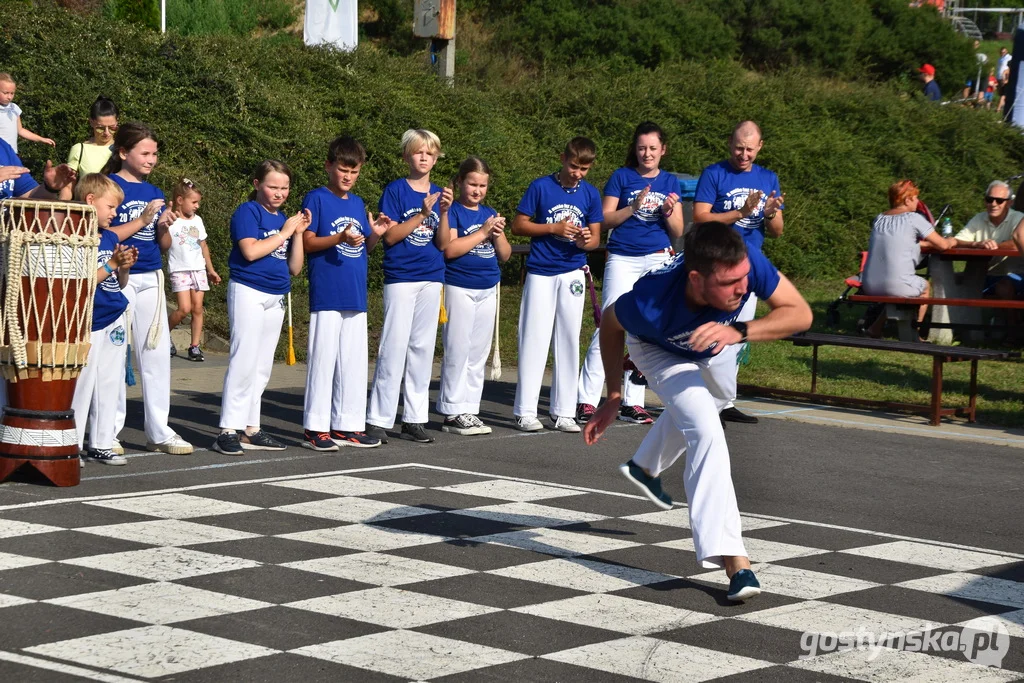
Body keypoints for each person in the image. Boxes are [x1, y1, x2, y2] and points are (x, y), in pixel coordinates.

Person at [583, 223, 812, 602]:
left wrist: (739, 330)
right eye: (729, 284)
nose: (742, 289)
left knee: (719, 399)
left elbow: (800, 314)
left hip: (716, 338)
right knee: (707, 430)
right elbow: (610, 322)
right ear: (695, 278)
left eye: (744, 279)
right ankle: (735, 562)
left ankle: (645, 466)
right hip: (659, 349)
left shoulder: (744, 261)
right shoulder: (650, 303)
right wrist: (613, 394)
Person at [577, 122, 683, 426]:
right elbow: (605, 219)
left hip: (657, 257)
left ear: (663, 150)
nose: (647, 153)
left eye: (652, 148)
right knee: (610, 324)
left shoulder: (670, 181)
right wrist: (633, 206)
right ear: (634, 150)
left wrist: (669, 212)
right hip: (623, 256)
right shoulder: (622, 177)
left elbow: (676, 231)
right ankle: (587, 399)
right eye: (641, 148)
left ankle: (633, 402)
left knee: (647, 330)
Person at [104, 122, 193, 456]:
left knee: (155, 354)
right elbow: (105, 234)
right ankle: (107, 431)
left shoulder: (154, 190)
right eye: (144, 152)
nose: (151, 159)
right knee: (114, 354)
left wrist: (164, 225)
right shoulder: (109, 186)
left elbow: (163, 243)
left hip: (151, 277)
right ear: (123, 152)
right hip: (116, 276)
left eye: (155, 153)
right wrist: (141, 220)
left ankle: (159, 430)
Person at [301, 136, 392, 451]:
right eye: (342, 170)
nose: (348, 177)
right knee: (323, 363)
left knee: (353, 365)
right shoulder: (316, 199)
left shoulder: (356, 203)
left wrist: (376, 234)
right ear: (329, 166)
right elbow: (308, 243)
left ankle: (347, 426)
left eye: (354, 172)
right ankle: (316, 428)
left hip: (354, 294)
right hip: (327, 293)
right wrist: (337, 236)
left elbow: (363, 247)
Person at [213, 161, 310, 455]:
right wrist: (283, 233)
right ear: (257, 184)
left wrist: (298, 234)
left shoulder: (283, 218)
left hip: (276, 293)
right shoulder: (248, 211)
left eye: (284, 187)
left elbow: (294, 268)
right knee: (243, 358)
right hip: (248, 289)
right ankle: (228, 429)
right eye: (272, 186)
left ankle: (251, 428)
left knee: (262, 365)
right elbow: (251, 251)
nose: (279, 193)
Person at [693, 120, 784, 425]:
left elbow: (777, 231)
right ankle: (699, 396)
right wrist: (740, 213)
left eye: (749, 149)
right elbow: (701, 218)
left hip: (750, 266)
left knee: (738, 335)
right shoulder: (715, 173)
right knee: (710, 330)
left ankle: (723, 402)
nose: (743, 154)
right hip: (717, 265)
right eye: (738, 147)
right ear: (729, 143)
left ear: (760, 147)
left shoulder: (768, 177)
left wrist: (770, 213)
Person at [365, 129, 452, 445]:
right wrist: (422, 214)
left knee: (422, 349)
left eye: (430, 152)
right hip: (402, 277)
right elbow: (389, 236)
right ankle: (379, 418)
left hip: (432, 276)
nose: (425, 157)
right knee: (394, 346)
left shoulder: (442, 193)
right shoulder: (395, 191)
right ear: (406, 156)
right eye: (418, 152)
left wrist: (441, 213)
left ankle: (415, 418)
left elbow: (444, 243)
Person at [512, 137, 603, 433]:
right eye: (574, 166)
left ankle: (564, 411)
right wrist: (552, 227)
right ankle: (525, 410)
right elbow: (519, 225)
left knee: (568, 338)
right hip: (541, 271)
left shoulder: (590, 194)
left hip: (573, 271)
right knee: (534, 338)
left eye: (584, 169)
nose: (578, 173)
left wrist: (586, 240)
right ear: (563, 158)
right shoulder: (541, 186)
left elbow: (597, 238)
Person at [437, 156, 511, 435]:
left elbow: (503, 255)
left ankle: (469, 408)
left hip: (487, 286)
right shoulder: (454, 212)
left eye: (482, 185)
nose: (477, 190)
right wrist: (482, 233)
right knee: (457, 348)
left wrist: (498, 234)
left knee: (478, 352)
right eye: (472, 184)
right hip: (459, 286)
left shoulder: (489, 213)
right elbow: (450, 250)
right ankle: (452, 410)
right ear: (460, 183)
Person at [70, 174, 138, 466]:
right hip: (88, 318)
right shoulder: (75, 235)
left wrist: (123, 267)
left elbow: (118, 283)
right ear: (90, 201)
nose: (115, 213)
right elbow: (80, 282)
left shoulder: (110, 237)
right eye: (111, 207)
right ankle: (71, 443)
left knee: (110, 381)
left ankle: (102, 441)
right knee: (83, 383)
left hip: (114, 314)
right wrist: (111, 264)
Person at [860, 180, 956, 338]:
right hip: (896, 285)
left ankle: (875, 328)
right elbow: (943, 245)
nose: (918, 202)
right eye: (916, 198)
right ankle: (914, 332)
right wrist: (953, 241)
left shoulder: (879, 219)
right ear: (907, 200)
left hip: (869, 284)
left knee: (895, 287)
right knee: (924, 287)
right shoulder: (913, 218)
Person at [166, 177, 221, 362]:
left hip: (198, 269)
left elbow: (203, 246)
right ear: (180, 200)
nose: (197, 206)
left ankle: (194, 346)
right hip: (179, 269)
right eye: (194, 202)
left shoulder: (198, 220)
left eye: (198, 202)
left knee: (197, 308)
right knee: (184, 309)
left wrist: (210, 270)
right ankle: (164, 335)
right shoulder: (171, 219)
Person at [952, 180, 1024, 302]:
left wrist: (993, 246)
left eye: (999, 200)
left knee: (1004, 286)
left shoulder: (1018, 217)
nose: (993, 204)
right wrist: (976, 244)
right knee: (949, 281)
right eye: (989, 199)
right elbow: (957, 240)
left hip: (1013, 275)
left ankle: (1012, 321)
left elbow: (1017, 241)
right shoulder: (979, 218)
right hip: (982, 275)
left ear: (1009, 203)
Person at [0, 73, 55, 153]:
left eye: (12, 93)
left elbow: (20, 130)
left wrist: (41, 139)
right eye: (5, 93)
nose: (9, 97)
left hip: (12, 153)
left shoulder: (14, 108)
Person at [67, 96, 118, 177]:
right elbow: (68, 187)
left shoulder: (123, 150)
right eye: (100, 128)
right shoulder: (79, 150)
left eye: (112, 128)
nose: (107, 133)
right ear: (91, 122)